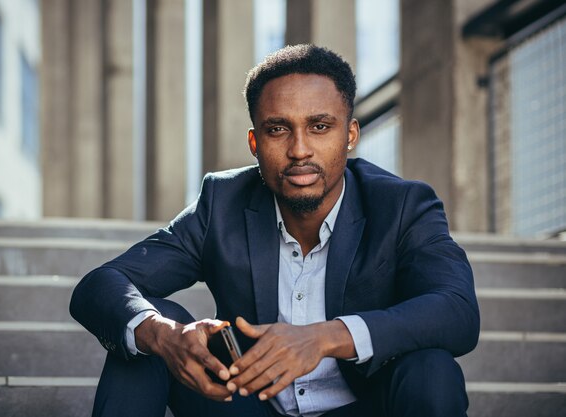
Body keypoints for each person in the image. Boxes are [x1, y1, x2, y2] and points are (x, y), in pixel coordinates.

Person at [70, 44, 480, 417]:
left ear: (350, 134)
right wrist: (163, 335)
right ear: (254, 141)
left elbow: (456, 310)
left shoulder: (402, 206)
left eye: (320, 127)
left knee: (432, 367)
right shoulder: (223, 203)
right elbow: (102, 284)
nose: (299, 149)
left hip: (363, 406)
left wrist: (324, 337)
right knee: (151, 333)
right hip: (245, 406)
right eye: (278, 129)